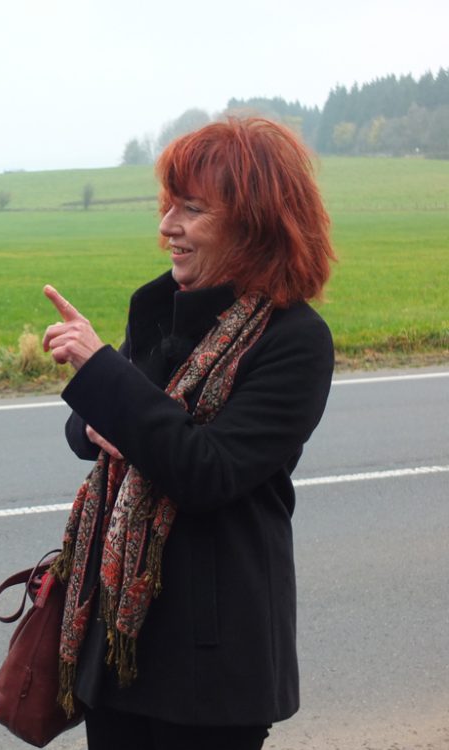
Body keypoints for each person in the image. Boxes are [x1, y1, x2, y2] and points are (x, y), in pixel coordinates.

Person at [41, 117, 337, 750]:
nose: (166, 227)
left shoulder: (295, 340)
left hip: (212, 664)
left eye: (192, 210)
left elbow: (208, 470)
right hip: (120, 643)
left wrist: (107, 382)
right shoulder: (157, 308)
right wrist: (102, 408)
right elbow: (87, 433)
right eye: (167, 205)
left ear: (255, 223)